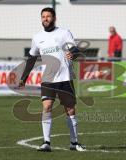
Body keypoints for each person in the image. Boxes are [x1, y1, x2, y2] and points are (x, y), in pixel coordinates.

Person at [18, 7, 85, 152]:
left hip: (65, 77)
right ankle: (46, 142)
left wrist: (73, 54)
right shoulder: (37, 37)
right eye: (43, 16)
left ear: (54, 18)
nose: (45, 19)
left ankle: (74, 142)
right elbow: (32, 58)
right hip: (48, 79)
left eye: (48, 16)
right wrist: (24, 77)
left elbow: (75, 49)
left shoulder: (64, 32)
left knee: (70, 110)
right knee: (46, 107)